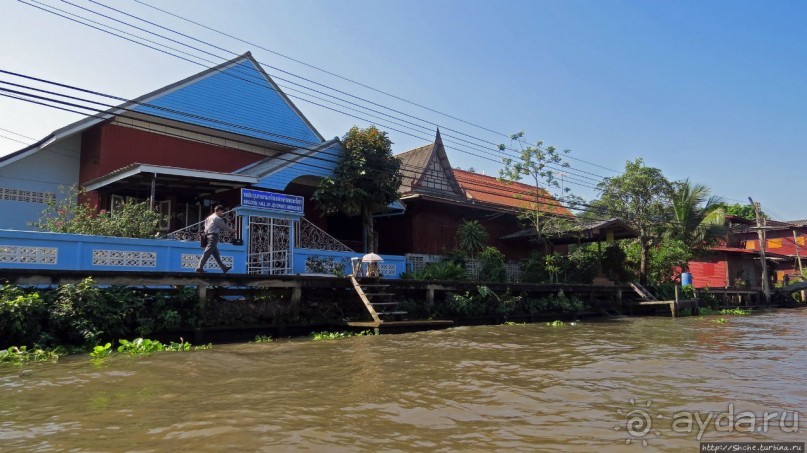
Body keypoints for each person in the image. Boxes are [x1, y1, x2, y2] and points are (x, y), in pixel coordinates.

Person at [196, 205, 236, 273]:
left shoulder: (208, 218)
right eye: (222, 211)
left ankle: (224, 268)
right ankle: (199, 268)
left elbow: (205, 227)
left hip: (207, 236)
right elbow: (224, 226)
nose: (222, 213)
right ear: (219, 211)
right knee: (207, 252)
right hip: (213, 236)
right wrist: (233, 230)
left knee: (216, 254)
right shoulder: (217, 218)